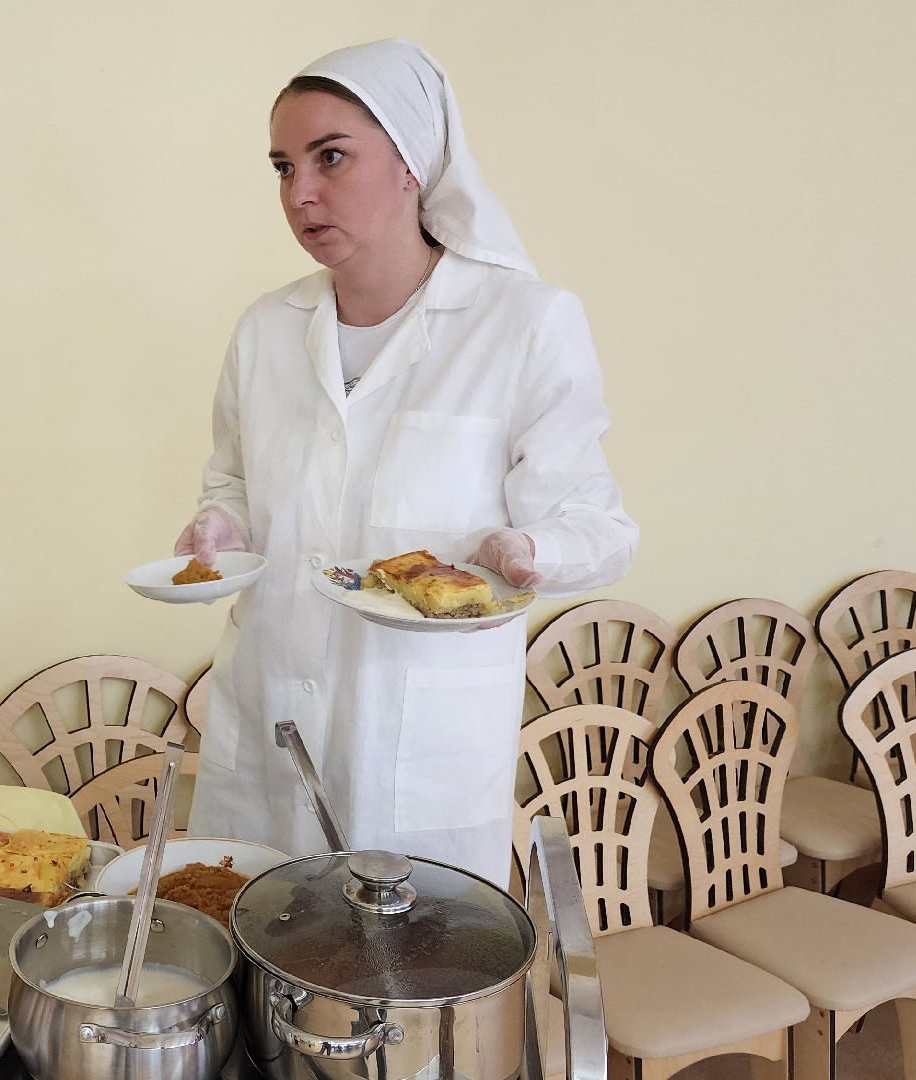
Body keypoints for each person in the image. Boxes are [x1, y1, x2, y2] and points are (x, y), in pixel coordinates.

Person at [178, 39, 638, 888]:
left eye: (331, 157)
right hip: (270, 719)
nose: (300, 193)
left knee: (398, 991)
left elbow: (599, 527)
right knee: (259, 968)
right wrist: (220, 524)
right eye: (283, 166)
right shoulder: (266, 330)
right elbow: (234, 482)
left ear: (412, 163)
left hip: (417, 754)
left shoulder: (521, 323)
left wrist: (529, 553)